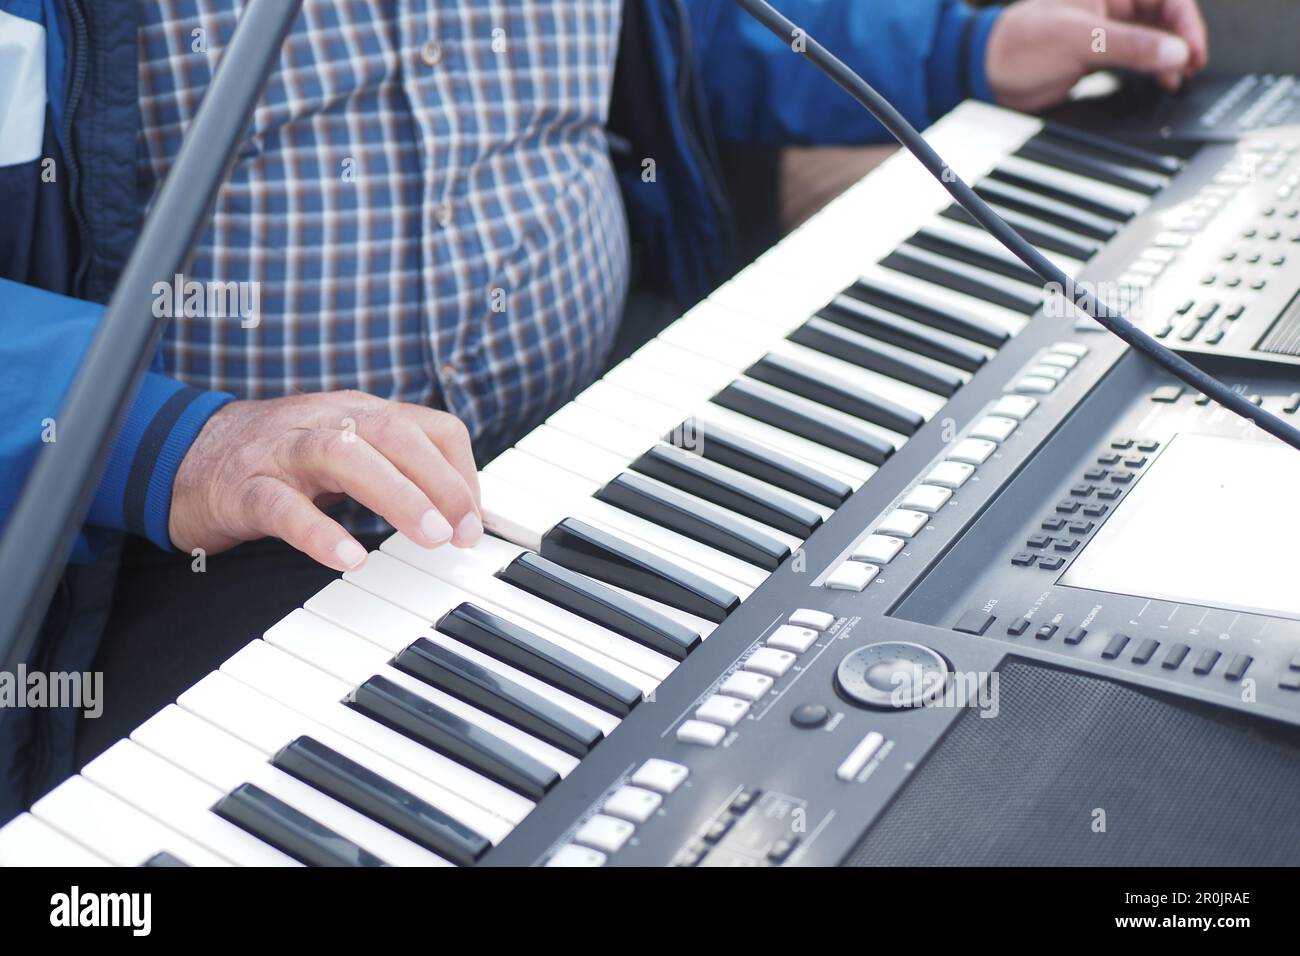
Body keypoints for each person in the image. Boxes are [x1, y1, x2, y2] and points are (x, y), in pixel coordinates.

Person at [0, 0, 1207, 816]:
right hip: (176, 551)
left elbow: (686, 29)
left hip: (602, 436)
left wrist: (962, 44)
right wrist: (177, 442)